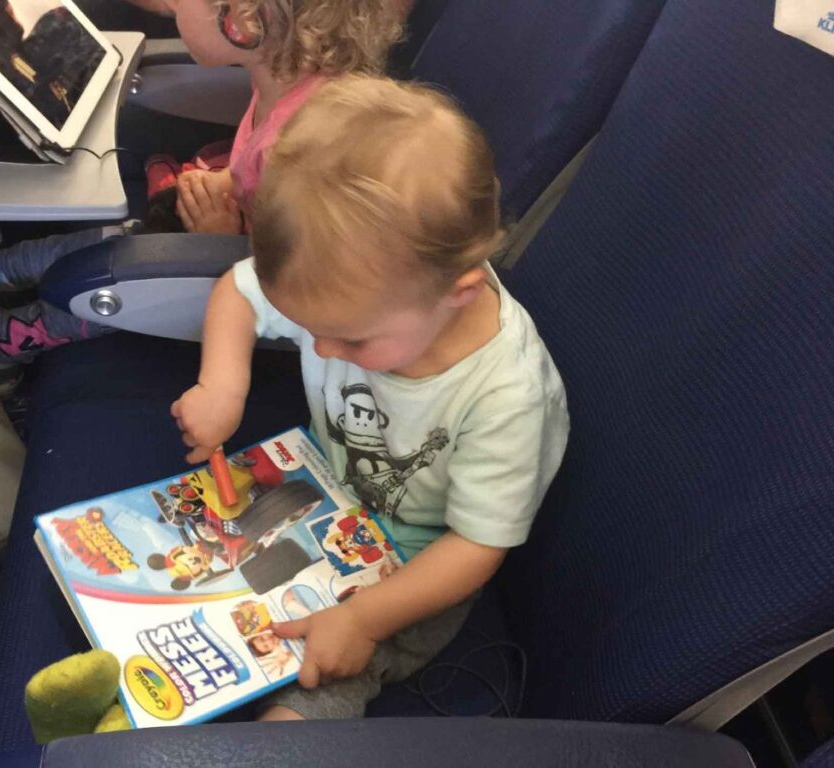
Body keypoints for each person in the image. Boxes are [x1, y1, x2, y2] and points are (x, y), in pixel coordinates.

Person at [171, 75, 570, 721]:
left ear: (458, 294)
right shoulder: (361, 289)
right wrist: (222, 386)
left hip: (412, 569)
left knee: (322, 682)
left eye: (349, 338)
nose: (321, 351)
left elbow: (476, 546)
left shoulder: (508, 397)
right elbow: (238, 293)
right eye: (312, 328)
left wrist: (362, 619)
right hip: (318, 494)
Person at [0, 0, 401, 395]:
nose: (172, 9)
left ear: (243, 21)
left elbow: (307, 282)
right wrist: (232, 186)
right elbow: (262, 181)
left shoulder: (312, 141)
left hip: (251, 284)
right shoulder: (287, 86)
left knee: (117, 274)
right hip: (241, 232)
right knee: (115, 237)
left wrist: (219, 242)